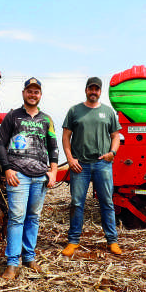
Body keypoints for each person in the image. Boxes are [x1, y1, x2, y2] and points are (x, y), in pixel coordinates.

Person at [0, 78, 58, 279]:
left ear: (40, 95)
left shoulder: (46, 120)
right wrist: (7, 169)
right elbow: (0, 144)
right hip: (18, 175)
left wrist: (53, 172)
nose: (33, 95)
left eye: (36, 92)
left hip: (40, 176)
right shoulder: (12, 117)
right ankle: (12, 263)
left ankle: (29, 258)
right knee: (16, 218)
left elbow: (53, 148)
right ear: (24, 93)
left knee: (33, 218)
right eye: (30, 91)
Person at [61, 77, 122, 256]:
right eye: (90, 89)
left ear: (100, 91)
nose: (93, 92)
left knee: (107, 202)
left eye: (96, 89)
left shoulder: (108, 112)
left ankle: (112, 241)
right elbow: (66, 137)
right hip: (80, 165)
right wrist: (70, 159)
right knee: (76, 203)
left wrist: (113, 153)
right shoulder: (75, 111)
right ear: (86, 90)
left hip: (103, 163)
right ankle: (73, 241)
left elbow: (116, 136)